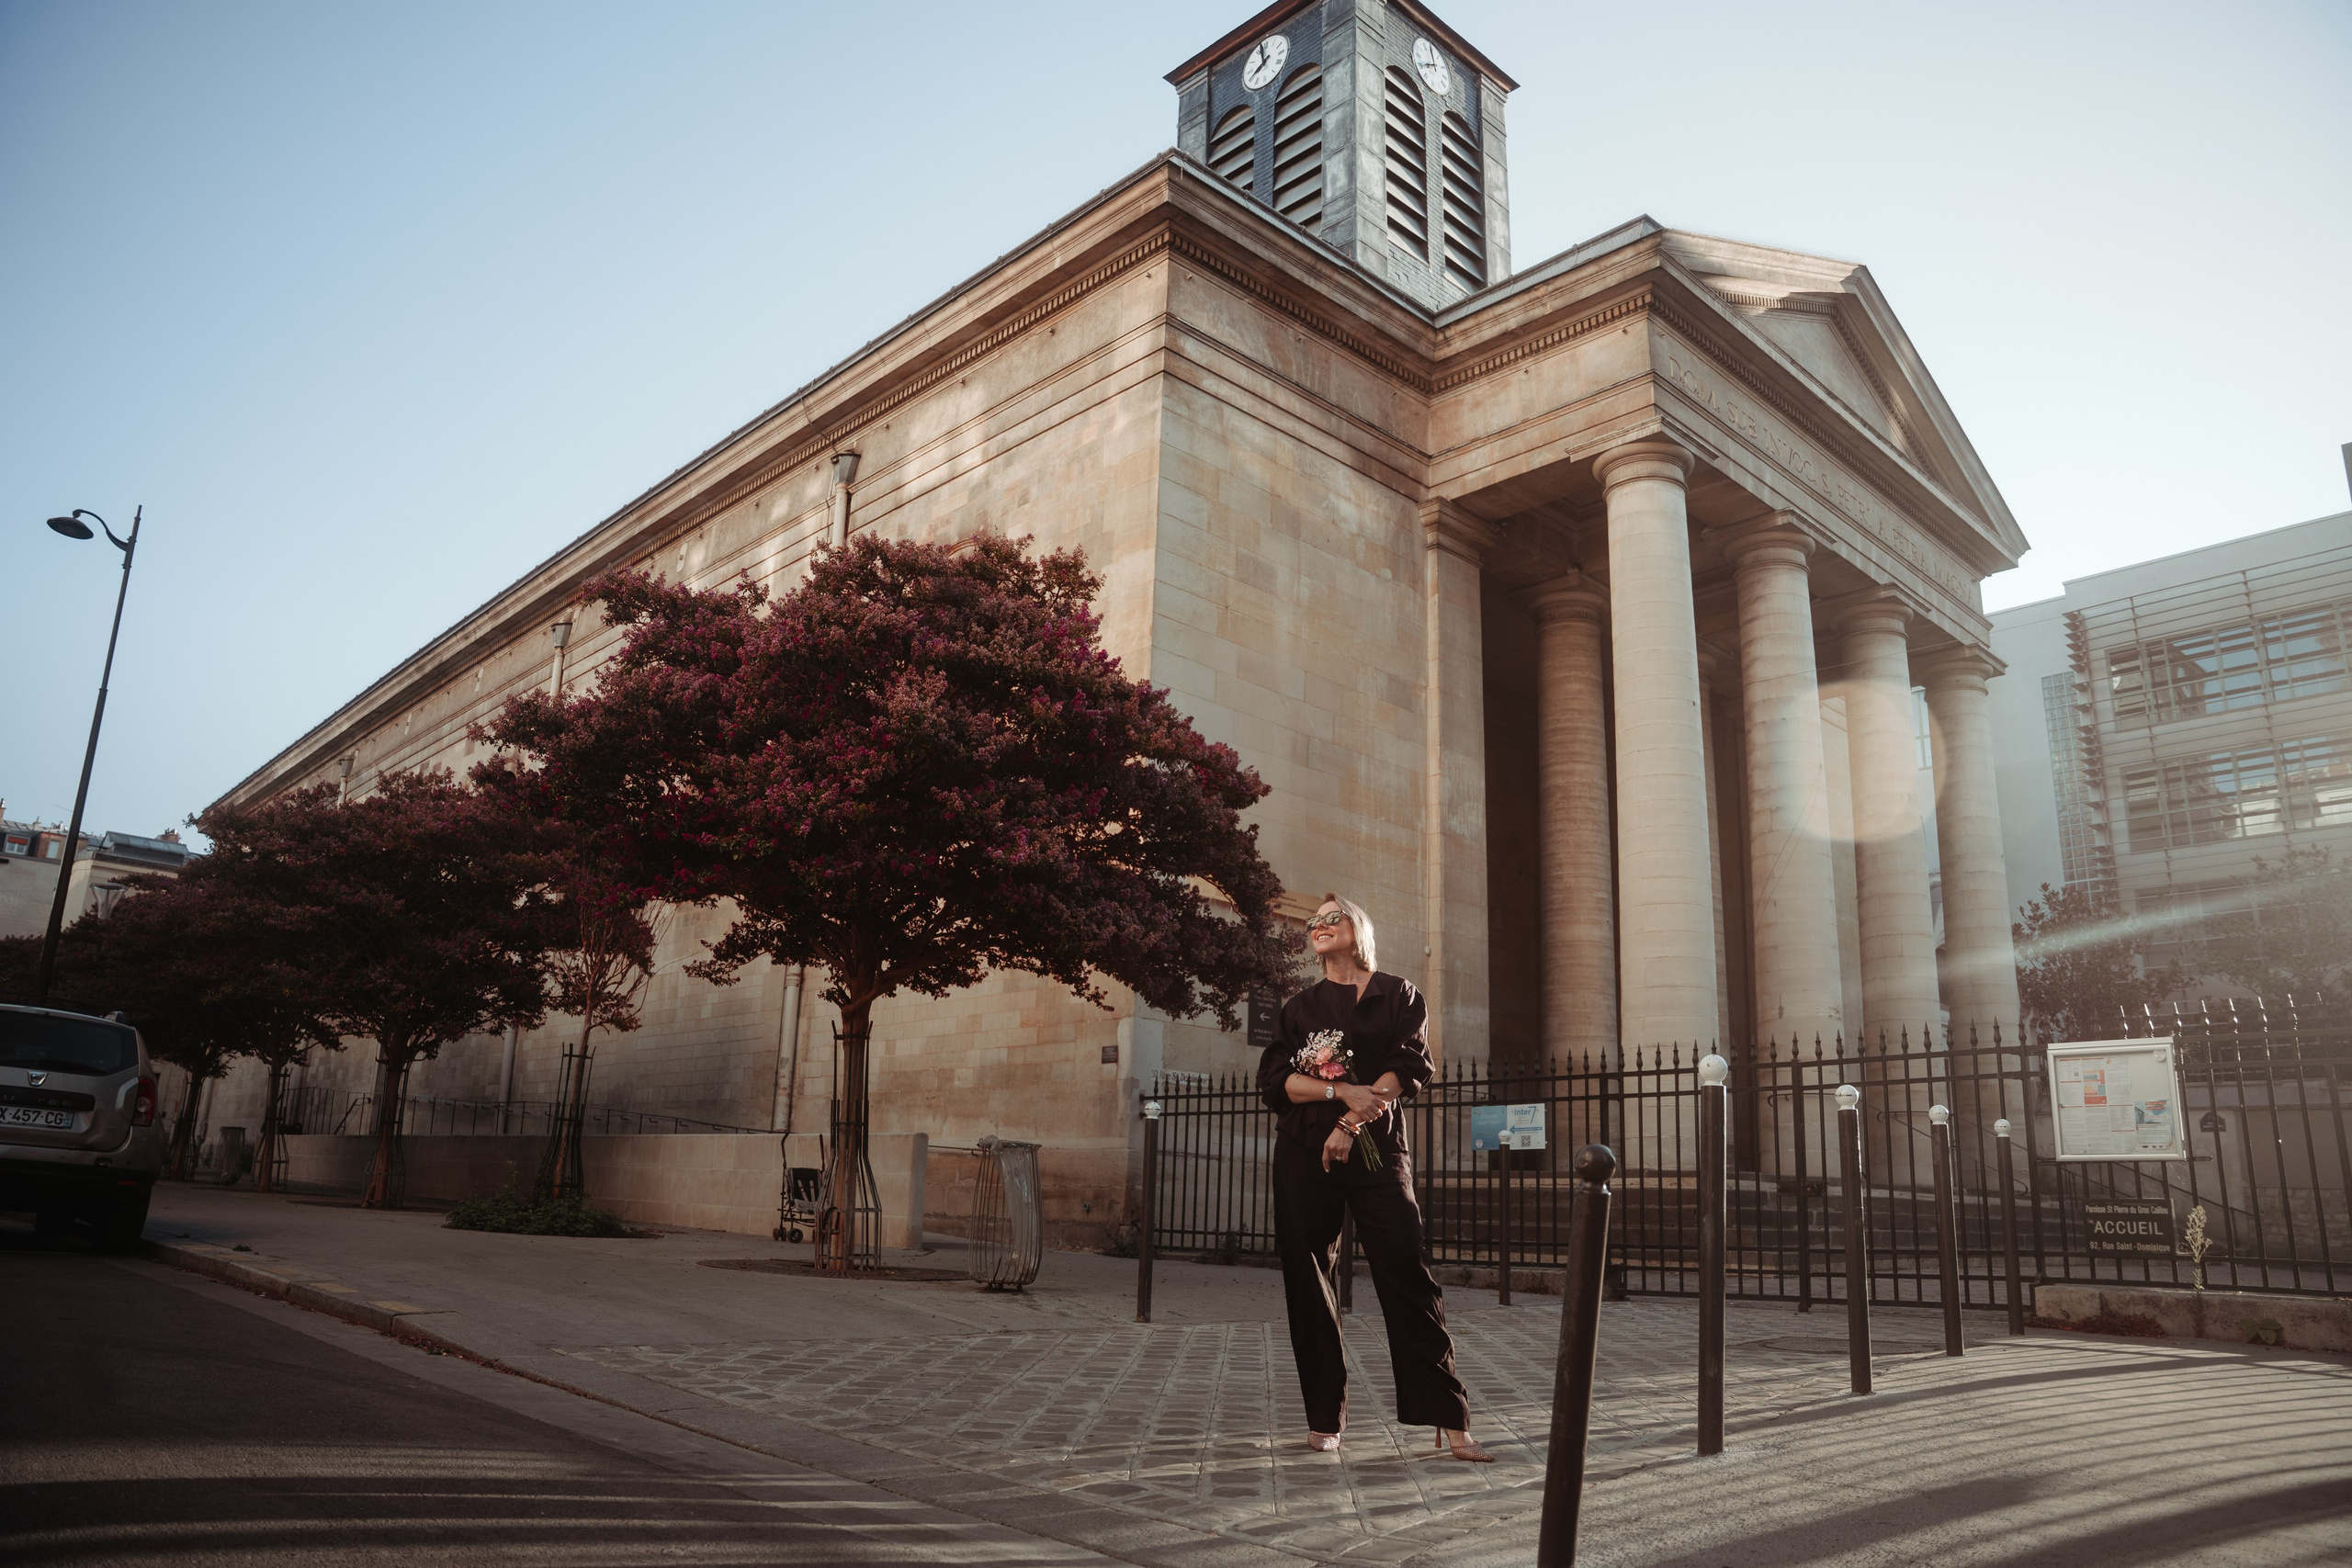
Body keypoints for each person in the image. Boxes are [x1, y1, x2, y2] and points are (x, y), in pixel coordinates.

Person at [1257, 893, 1491, 1461]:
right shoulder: (1299, 1007)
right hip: (1301, 1153)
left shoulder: (1398, 994)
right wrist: (1338, 1091)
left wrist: (1348, 1121)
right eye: (1313, 921)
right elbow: (1276, 1082)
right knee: (1309, 1283)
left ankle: (1447, 1417)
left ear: (1357, 926)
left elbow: (1409, 1067)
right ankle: (1323, 1416)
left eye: (1331, 916)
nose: (1319, 925)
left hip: (1376, 1151)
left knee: (1406, 1271)